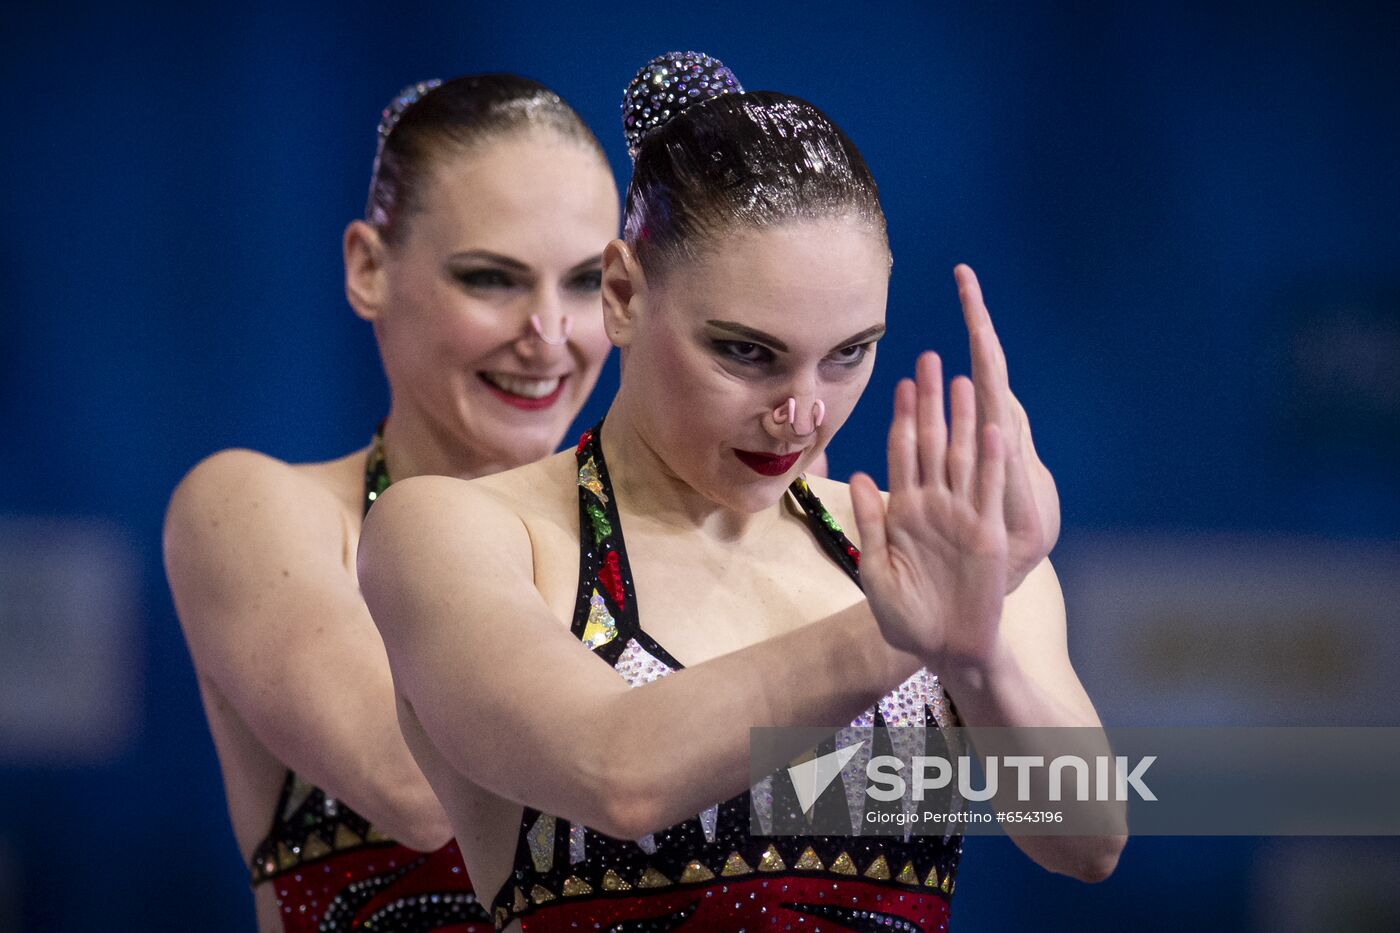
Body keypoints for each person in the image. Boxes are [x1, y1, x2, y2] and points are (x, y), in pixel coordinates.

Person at [358, 52, 1124, 932]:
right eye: (746, 352)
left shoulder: (945, 557)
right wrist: (906, 629)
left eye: (849, 353)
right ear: (621, 295)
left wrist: (976, 652)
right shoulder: (462, 531)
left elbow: (1088, 840)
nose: (801, 414)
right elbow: (619, 771)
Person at [164, 74, 619, 932]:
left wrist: (951, 673)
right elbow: (419, 784)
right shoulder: (255, 508)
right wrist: (837, 664)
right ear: (369, 267)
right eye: (492, 279)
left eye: (589, 282)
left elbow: (913, 808)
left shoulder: (663, 540)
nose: (550, 333)